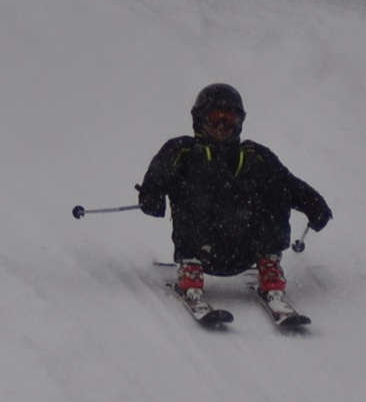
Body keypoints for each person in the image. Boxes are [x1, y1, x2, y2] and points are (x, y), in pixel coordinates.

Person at [138, 84, 332, 312]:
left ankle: (269, 267)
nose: (221, 127)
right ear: (199, 120)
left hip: (245, 251)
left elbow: (289, 185)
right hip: (201, 251)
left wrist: (314, 205)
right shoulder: (182, 151)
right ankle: (190, 271)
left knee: (275, 187)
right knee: (190, 185)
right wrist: (152, 196)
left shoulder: (255, 156)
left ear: (239, 123)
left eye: (228, 119)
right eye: (214, 119)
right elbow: (155, 180)